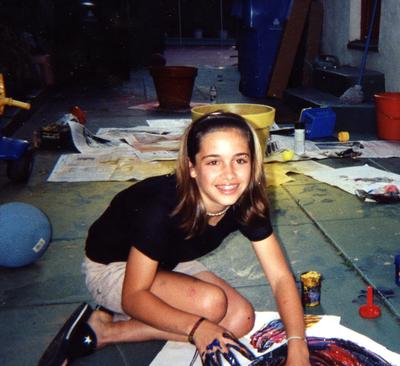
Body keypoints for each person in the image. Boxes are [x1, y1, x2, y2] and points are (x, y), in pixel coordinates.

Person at [39, 112, 310, 365]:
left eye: (240, 160)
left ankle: (110, 330)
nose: (229, 174)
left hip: (168, 259)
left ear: (253, 163)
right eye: (214, 161)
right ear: (192, 167)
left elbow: (280, 278)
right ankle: (108, 324)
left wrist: (298, 346)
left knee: (241, 320)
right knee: (211, 306)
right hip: (112, 269)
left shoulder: (246, 201)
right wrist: (197, 328)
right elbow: (134, 296)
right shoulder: (162, 208)